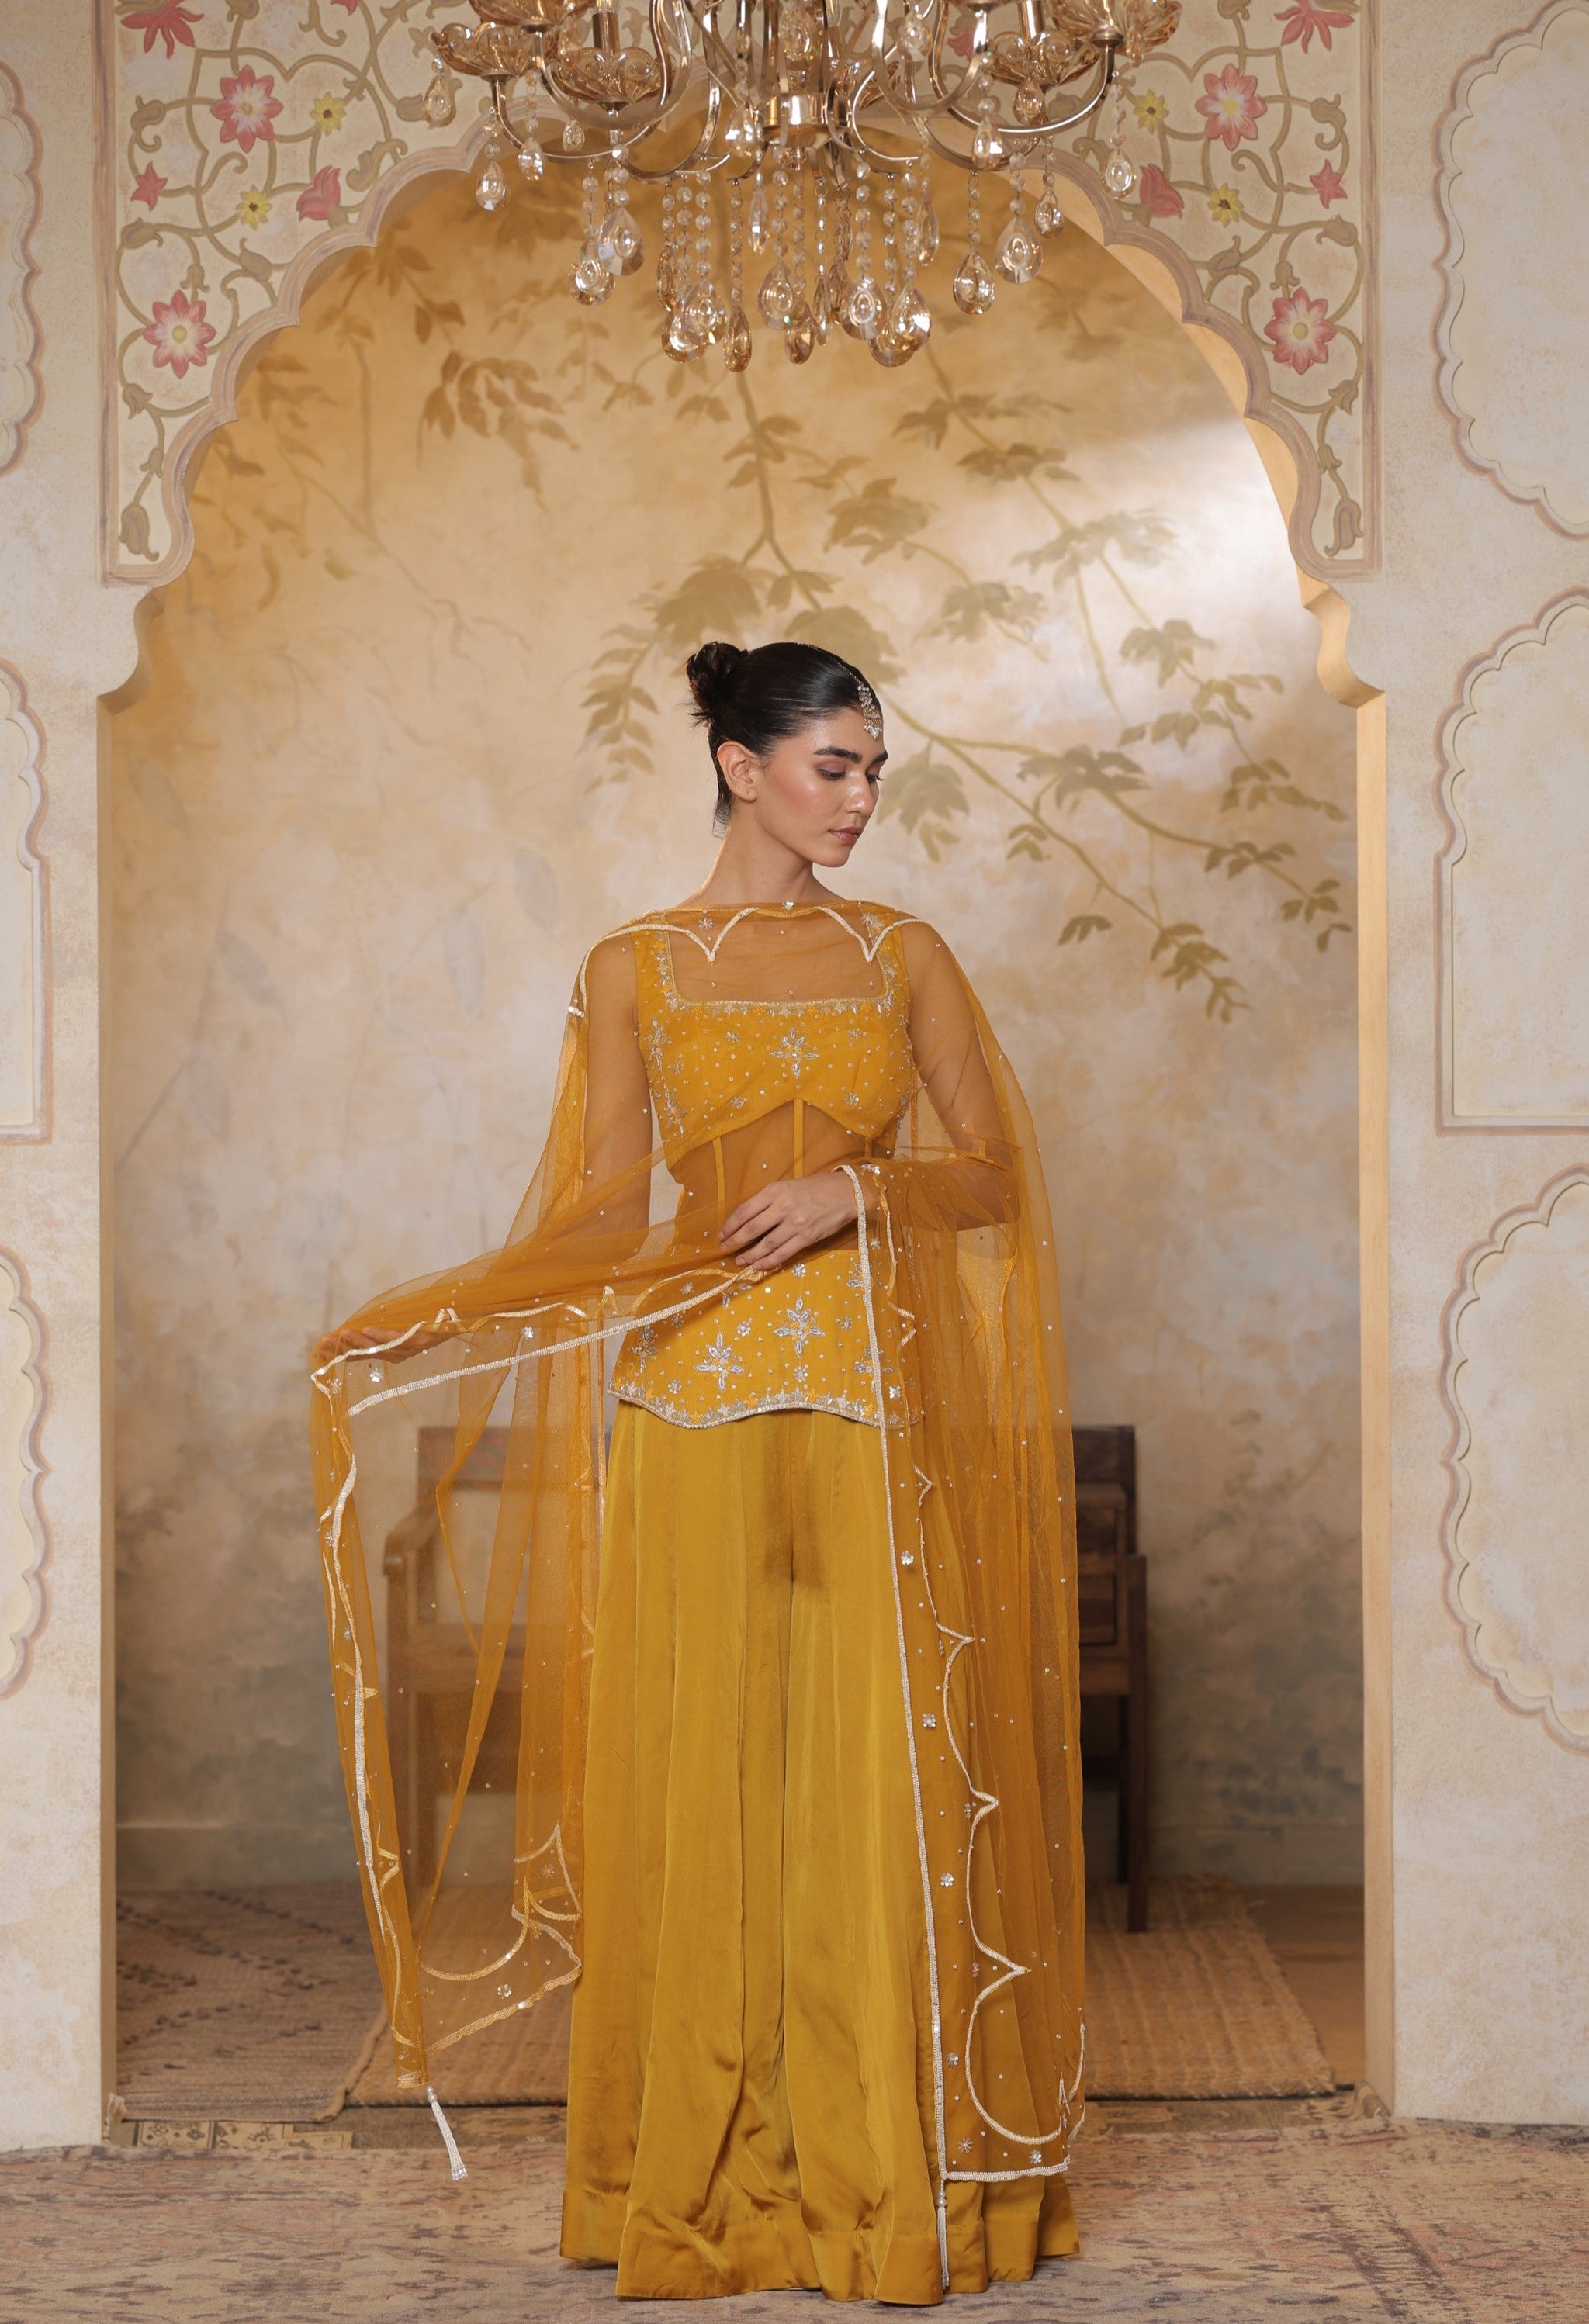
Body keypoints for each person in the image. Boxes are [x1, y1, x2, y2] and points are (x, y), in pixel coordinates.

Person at [312, 641, 1085, 2305]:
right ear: (742, 766)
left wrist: (851, 1194)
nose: (860, 800)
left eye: (873, 771)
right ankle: (700, 2184)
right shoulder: (634, 968)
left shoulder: (902, 955)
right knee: (698, 1790)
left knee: (873, 1793)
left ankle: (882, 2183)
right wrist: (433, 1314)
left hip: (872, 1414)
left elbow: (990, 1175)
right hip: (685, 1419)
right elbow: (601, 1214)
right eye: (833, 767)